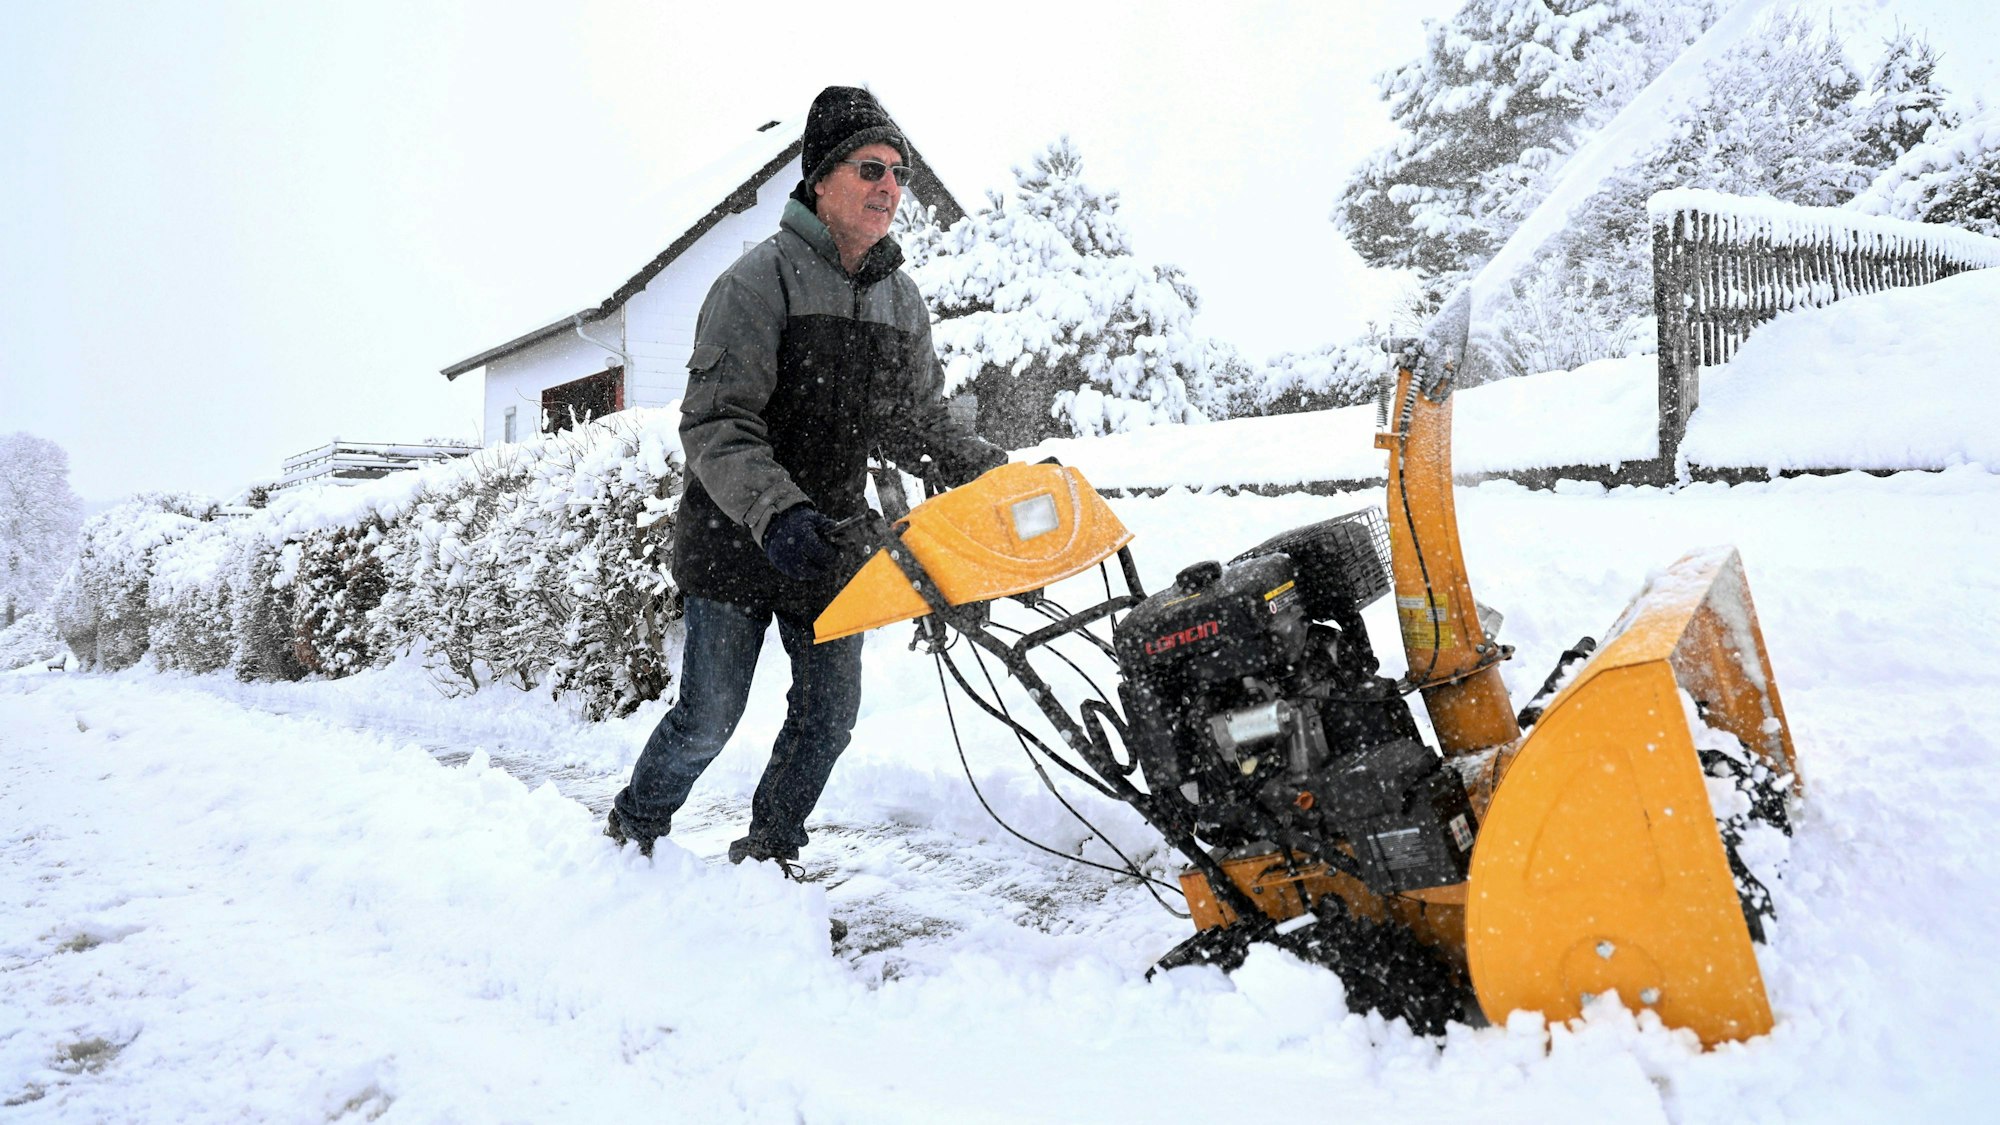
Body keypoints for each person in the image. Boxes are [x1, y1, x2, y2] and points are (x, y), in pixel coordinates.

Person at [606, 86, 1006, 871]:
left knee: (828, 716)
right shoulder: (758, 283)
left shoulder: (899, 298)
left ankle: (769, 851)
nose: (889, 187)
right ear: (821, 178)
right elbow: (717, 423)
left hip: (831, 541)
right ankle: (634, 828)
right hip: (736, 537)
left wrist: (984, 469)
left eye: (898, 173)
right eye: (870, 168)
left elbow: (915, 418)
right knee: (709, 717)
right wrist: (777, 511)